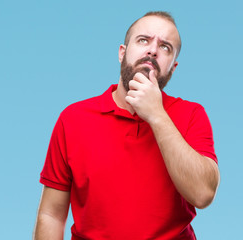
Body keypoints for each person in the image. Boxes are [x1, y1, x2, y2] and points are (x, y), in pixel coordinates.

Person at [33, 11, 220, 240]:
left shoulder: (192, 115)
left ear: (173, 67)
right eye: (143, 40)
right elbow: (51, 215)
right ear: (122, 53)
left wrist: (157, 115)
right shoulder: (72, 119)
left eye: (165, 47)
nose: (152, 50)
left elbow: (203, 195)